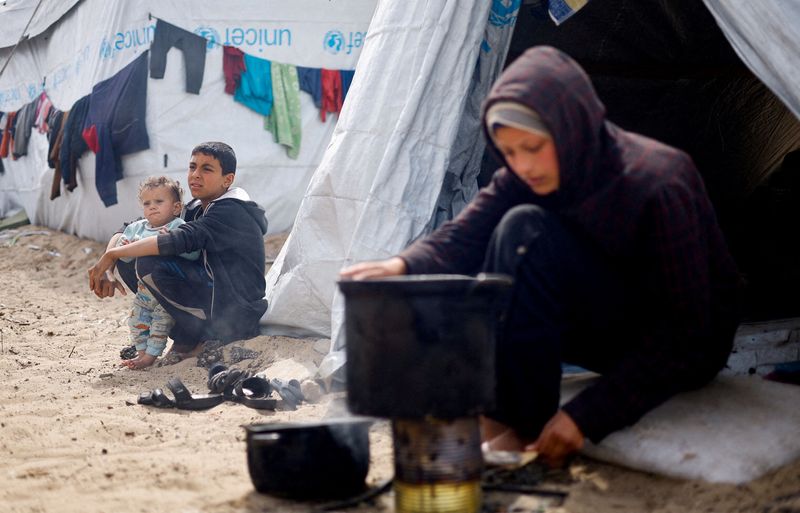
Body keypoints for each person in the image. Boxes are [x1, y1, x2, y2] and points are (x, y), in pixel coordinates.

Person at [340, 47, 743, 467]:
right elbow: (464, 237)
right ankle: (509, 421)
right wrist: (399, 266)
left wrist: (586, 415)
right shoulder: (525, 176)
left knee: (527, 232)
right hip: (610, 335)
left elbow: (689, 334)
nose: (523, 166)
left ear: (570, 129)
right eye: (510, 153)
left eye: (532, 147)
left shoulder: (658, 181)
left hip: (687, 347)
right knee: (515, 230)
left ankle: (514, 425)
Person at [88, 142, 269, 361]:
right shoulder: (196, 207)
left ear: (227, 180)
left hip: (236, 316)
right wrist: (111, 260)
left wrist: (112, 256)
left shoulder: (231, 210)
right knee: (131, 256)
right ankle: (189, 336)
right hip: (213, 302)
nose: (196, 175)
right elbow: (130, 227)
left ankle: (193, 338)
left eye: (206, 169)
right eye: (192, 167)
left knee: (147, 260)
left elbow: (177, 240)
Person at [117, 176, 200, 370]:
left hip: (167, 292)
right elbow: (125, 259)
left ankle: (150, 358)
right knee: (136, 321)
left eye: (159, 202)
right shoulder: (136, 229)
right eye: (147, 203)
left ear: (176, 207)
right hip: (144, 292)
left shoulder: (178, 227)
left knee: (160, 324)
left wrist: (174, 244)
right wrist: (126, 249)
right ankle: (142, 353)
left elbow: (194, 254)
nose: (152, 207)